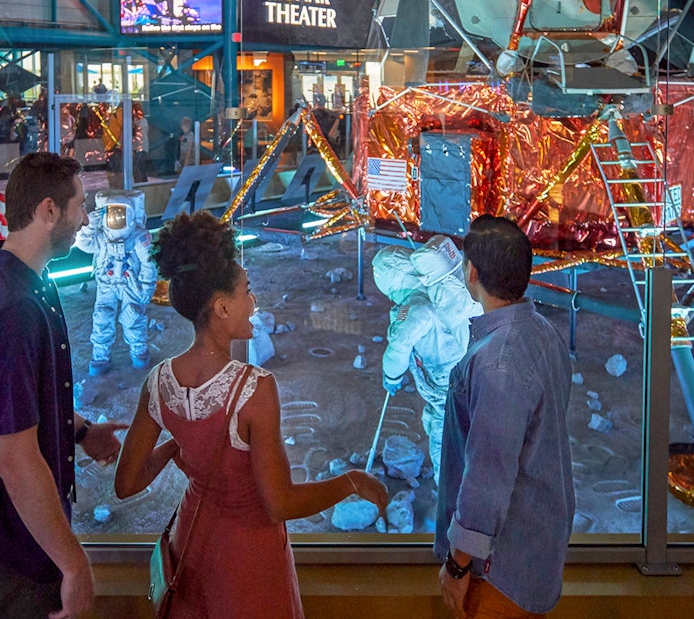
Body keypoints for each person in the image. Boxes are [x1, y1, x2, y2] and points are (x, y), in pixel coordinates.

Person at [115, 211, 388, 618]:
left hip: (189, 545)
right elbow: (278, 503)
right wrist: (351, 481)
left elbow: (126, 483)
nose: (253, 301)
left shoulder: (159, 382)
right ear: (223, 307)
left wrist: (177, 445)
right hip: (247, 557)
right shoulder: (253, 388)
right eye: (247, 291)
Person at [0, 152, 129, 619]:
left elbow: (20, 404)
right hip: (13, 539)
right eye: (79, 206)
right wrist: (75, 566)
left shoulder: (21, 282)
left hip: (22, 530)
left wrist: (81, 431)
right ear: (48, 211)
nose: (85, 219)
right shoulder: (13, 310)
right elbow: (17, 460)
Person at [435, 215, 574, 619]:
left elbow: (487, 474)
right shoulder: (543, 333)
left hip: (499, 571)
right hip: (534, 552)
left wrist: (459, 563)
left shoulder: (499, 363)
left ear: (472, 272)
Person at [374, 235, 481, 483]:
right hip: (460, 379)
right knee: (440, 423)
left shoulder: (416, 307)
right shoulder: (436, 293)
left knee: (444, 439)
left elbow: (399, 347)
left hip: (447, 385)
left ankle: (453, 497)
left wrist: (391, 375)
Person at [74, 188, 157, 376]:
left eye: (121, 212)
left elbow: (148, 262)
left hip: (131, 283)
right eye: (112, 213)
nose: (117, 218)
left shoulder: (138, 237)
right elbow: (84, 244)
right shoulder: (102, 236)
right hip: (107, 283)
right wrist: (89, 227)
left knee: (133, 317)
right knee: (102, 317)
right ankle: (100, 355)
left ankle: (139, 351)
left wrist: (147, 285)